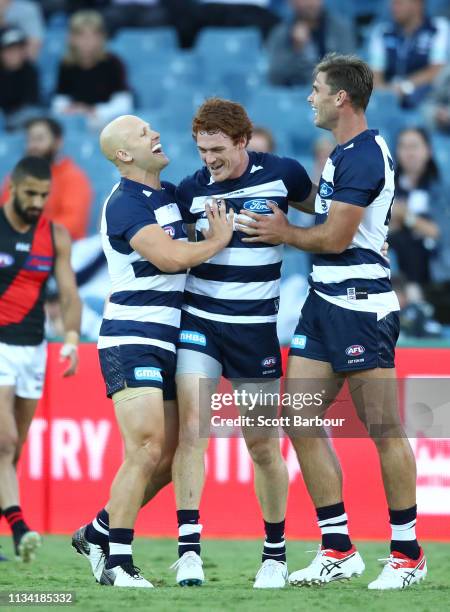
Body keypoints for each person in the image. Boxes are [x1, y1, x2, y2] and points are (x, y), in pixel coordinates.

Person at [238, 53, 427, 590]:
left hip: (361, 306)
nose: (310, 97)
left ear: (340, 97)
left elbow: (337, 238)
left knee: (383, 429)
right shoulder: (343, 154)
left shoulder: (364, 155)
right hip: (324, 303)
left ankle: (408, 554)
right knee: (298, 418)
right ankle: (338, 547)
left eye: (317, 89)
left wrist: (284, 232)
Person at [71, 114, 233, 588]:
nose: (156, 135)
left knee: (164, 458)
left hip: (168, 338)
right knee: (144, 448)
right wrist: (218, 240)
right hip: (131, 336)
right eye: (143, 134)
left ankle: (99, 531)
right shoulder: (124, 203)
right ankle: (118, 563)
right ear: (123, 155)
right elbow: (169, 257)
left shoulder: (167, 197)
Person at [171, 97, 316, 589]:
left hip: (255, 327)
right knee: (193, 430)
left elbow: (327, 218)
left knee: (262, 446)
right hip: (200, 324)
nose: (208, 159)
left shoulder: (285, 174)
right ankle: (188, 551)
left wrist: (290, 231)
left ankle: (274, 554)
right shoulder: (189, 191)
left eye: (216, 149)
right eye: (200, 150)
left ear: (242, 141)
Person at [0, 156, 81, 562]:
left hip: (33, 349)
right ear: (12, 188)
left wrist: (69, 336)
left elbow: (68, 293)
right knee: (4, 440)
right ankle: (19, 529)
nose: (37, 201)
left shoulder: (56, 235)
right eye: (30, 193)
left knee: (13, 452)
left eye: (44, 195)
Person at [1, 117, 93, 241]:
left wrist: (30, 233)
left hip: (62, 248)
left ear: (58, 142)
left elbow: (73, 224)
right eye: (30, 140)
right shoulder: (17, 176)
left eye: (39, 139)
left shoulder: (74, 177)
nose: (33, 146)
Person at [51, 10, 133, 131]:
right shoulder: (66, 65)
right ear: (71, 38)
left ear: (101, 37)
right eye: (81, 35)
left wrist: (93, 111)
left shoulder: (113, 63)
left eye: (92, 35)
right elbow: (59, 100)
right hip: (76, 120)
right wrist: (70, 109)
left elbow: (124, 104)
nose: (87, 41)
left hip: (107, 120)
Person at [389, 127, 440, 302]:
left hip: (433, 265)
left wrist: (406, 217)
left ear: (428, 150)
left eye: (414, 146)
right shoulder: (388, 187)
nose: (409, 153)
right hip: (396, 262)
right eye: (403, 146)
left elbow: (438, 232)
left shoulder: (440, 188)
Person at [368, 0, 449, 108]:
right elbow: (375, 75)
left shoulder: (439, 28)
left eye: (398, 3)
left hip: (427, 97)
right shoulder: (382, 32)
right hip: (390, 98)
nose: (393, 7)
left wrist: (404, 87)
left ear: (417, 4)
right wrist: (387, 93)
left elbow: (437, 70)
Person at [267, 0, 356, 87]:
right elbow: (274, 79)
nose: (310, 3)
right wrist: (296, 48)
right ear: (291, 2)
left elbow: (349, 69)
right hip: (295, 96)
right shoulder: (280, 34)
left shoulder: (341, 28)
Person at [0, 26, 40, 131]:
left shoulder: (30, 71)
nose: (14, 54)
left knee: (31, 115)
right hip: (3, 117)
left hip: (22, 118)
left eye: (18, 49)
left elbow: (32, 102)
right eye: (9, 50)